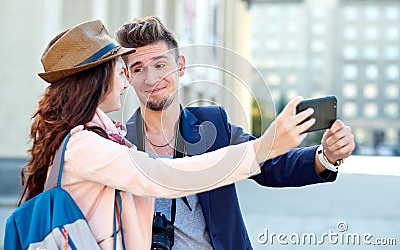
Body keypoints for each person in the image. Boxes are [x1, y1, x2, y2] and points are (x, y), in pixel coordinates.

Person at [19, 19, 318, 250]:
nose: (130, 81)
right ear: (97, 81)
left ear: (180, 67)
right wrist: (264, 146)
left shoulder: (103, 137)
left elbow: (275, 169)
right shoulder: (89, 144)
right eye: (123, 70)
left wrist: (322, 157)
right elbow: (162, 176)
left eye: (160, 65)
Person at [115, 16, 355, 250]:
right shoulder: (118, 144)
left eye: (160, 65)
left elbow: (270, 164)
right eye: (138, 69)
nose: (152, 78)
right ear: (127, 77)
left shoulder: (214, 124)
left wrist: (327, 156)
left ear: (180, 66)